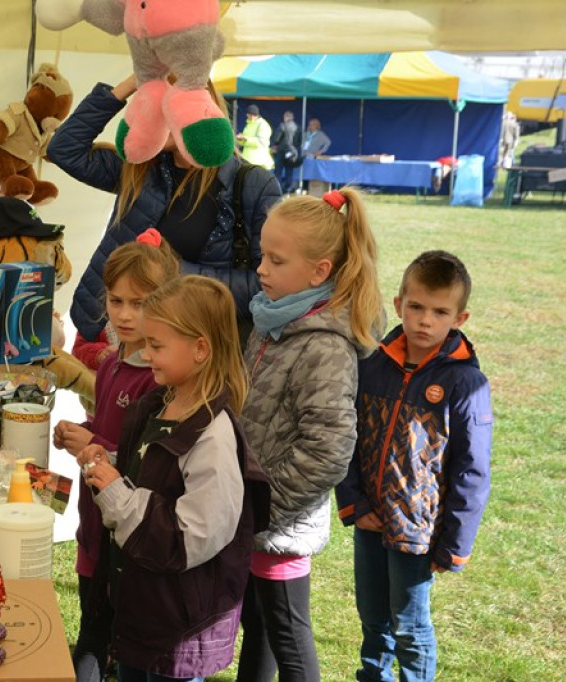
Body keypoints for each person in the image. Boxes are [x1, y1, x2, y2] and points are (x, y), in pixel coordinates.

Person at [79, 275, 266, 682]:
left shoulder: (213, 436)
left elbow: (193, 535)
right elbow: (150, 472)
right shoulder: (159, 405)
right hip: (143, 608)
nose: (145, 355)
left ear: (200, 348)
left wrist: (115, 494)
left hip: (177, 625)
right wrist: (110, 460)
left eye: (157, 346)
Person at [235, 188, 384, 682]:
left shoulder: (324, 346)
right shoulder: (274, 317)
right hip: (251, 516)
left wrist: (261, 507)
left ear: (319, 272)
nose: (262, 269)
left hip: (278, 526)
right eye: (263, 255)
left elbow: (328, 451)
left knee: (289, 638)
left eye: (276, 260)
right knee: (257, 628)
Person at [336, 250, 492, 682]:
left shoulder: (466, 384)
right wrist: (352, 501)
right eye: (417, 307)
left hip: (419, 532)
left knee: (409, 626)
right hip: (370, 518)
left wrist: (455, 543)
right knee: (372, 620)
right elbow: (346, 435)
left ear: (459, 318)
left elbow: (472, 471)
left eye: (440, 312)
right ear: (399, 303)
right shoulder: (373, 364)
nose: (425, 320)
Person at [48, 76, 281, 352]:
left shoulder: (252, 184)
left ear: (203, 109)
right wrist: (134, 83)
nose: (163, 117)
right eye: (155, 107)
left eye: (173, 107)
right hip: (122, 337)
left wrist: (172, 272)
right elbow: (64, 149)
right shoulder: (140, 168)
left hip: (192, 346)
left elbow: (268, 284)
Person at [53, 229, 181, 682]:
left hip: (128, 531)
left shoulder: (160, 380)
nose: (124, 315)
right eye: (115, 300)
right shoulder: (110, 364)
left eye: (139, 303)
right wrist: (80, 431)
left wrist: (94, 449)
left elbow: (142, 461)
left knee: (111, 639)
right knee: (92, 625)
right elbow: (107, 431)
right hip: (94, 521)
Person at [271, 110, 301, 193]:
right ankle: (288, 188)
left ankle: (278, 189)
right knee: (289, 171)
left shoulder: (282, 126)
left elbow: (276, 139)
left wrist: (274, 145)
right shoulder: (298, 127)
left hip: (281, 151)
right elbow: (299, 141)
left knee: (278, 171)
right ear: (292, 117)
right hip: (292, 152)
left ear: (285, 117)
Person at [237, 104, 274, 170]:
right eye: (249, 114)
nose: (251, 116)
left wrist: (245, 138)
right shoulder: (249, 124)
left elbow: (262, 142)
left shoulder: (262, 125)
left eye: (254, 115)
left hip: (258, 161)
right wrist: (239, 139)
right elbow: (246, 143)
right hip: (247, 160)